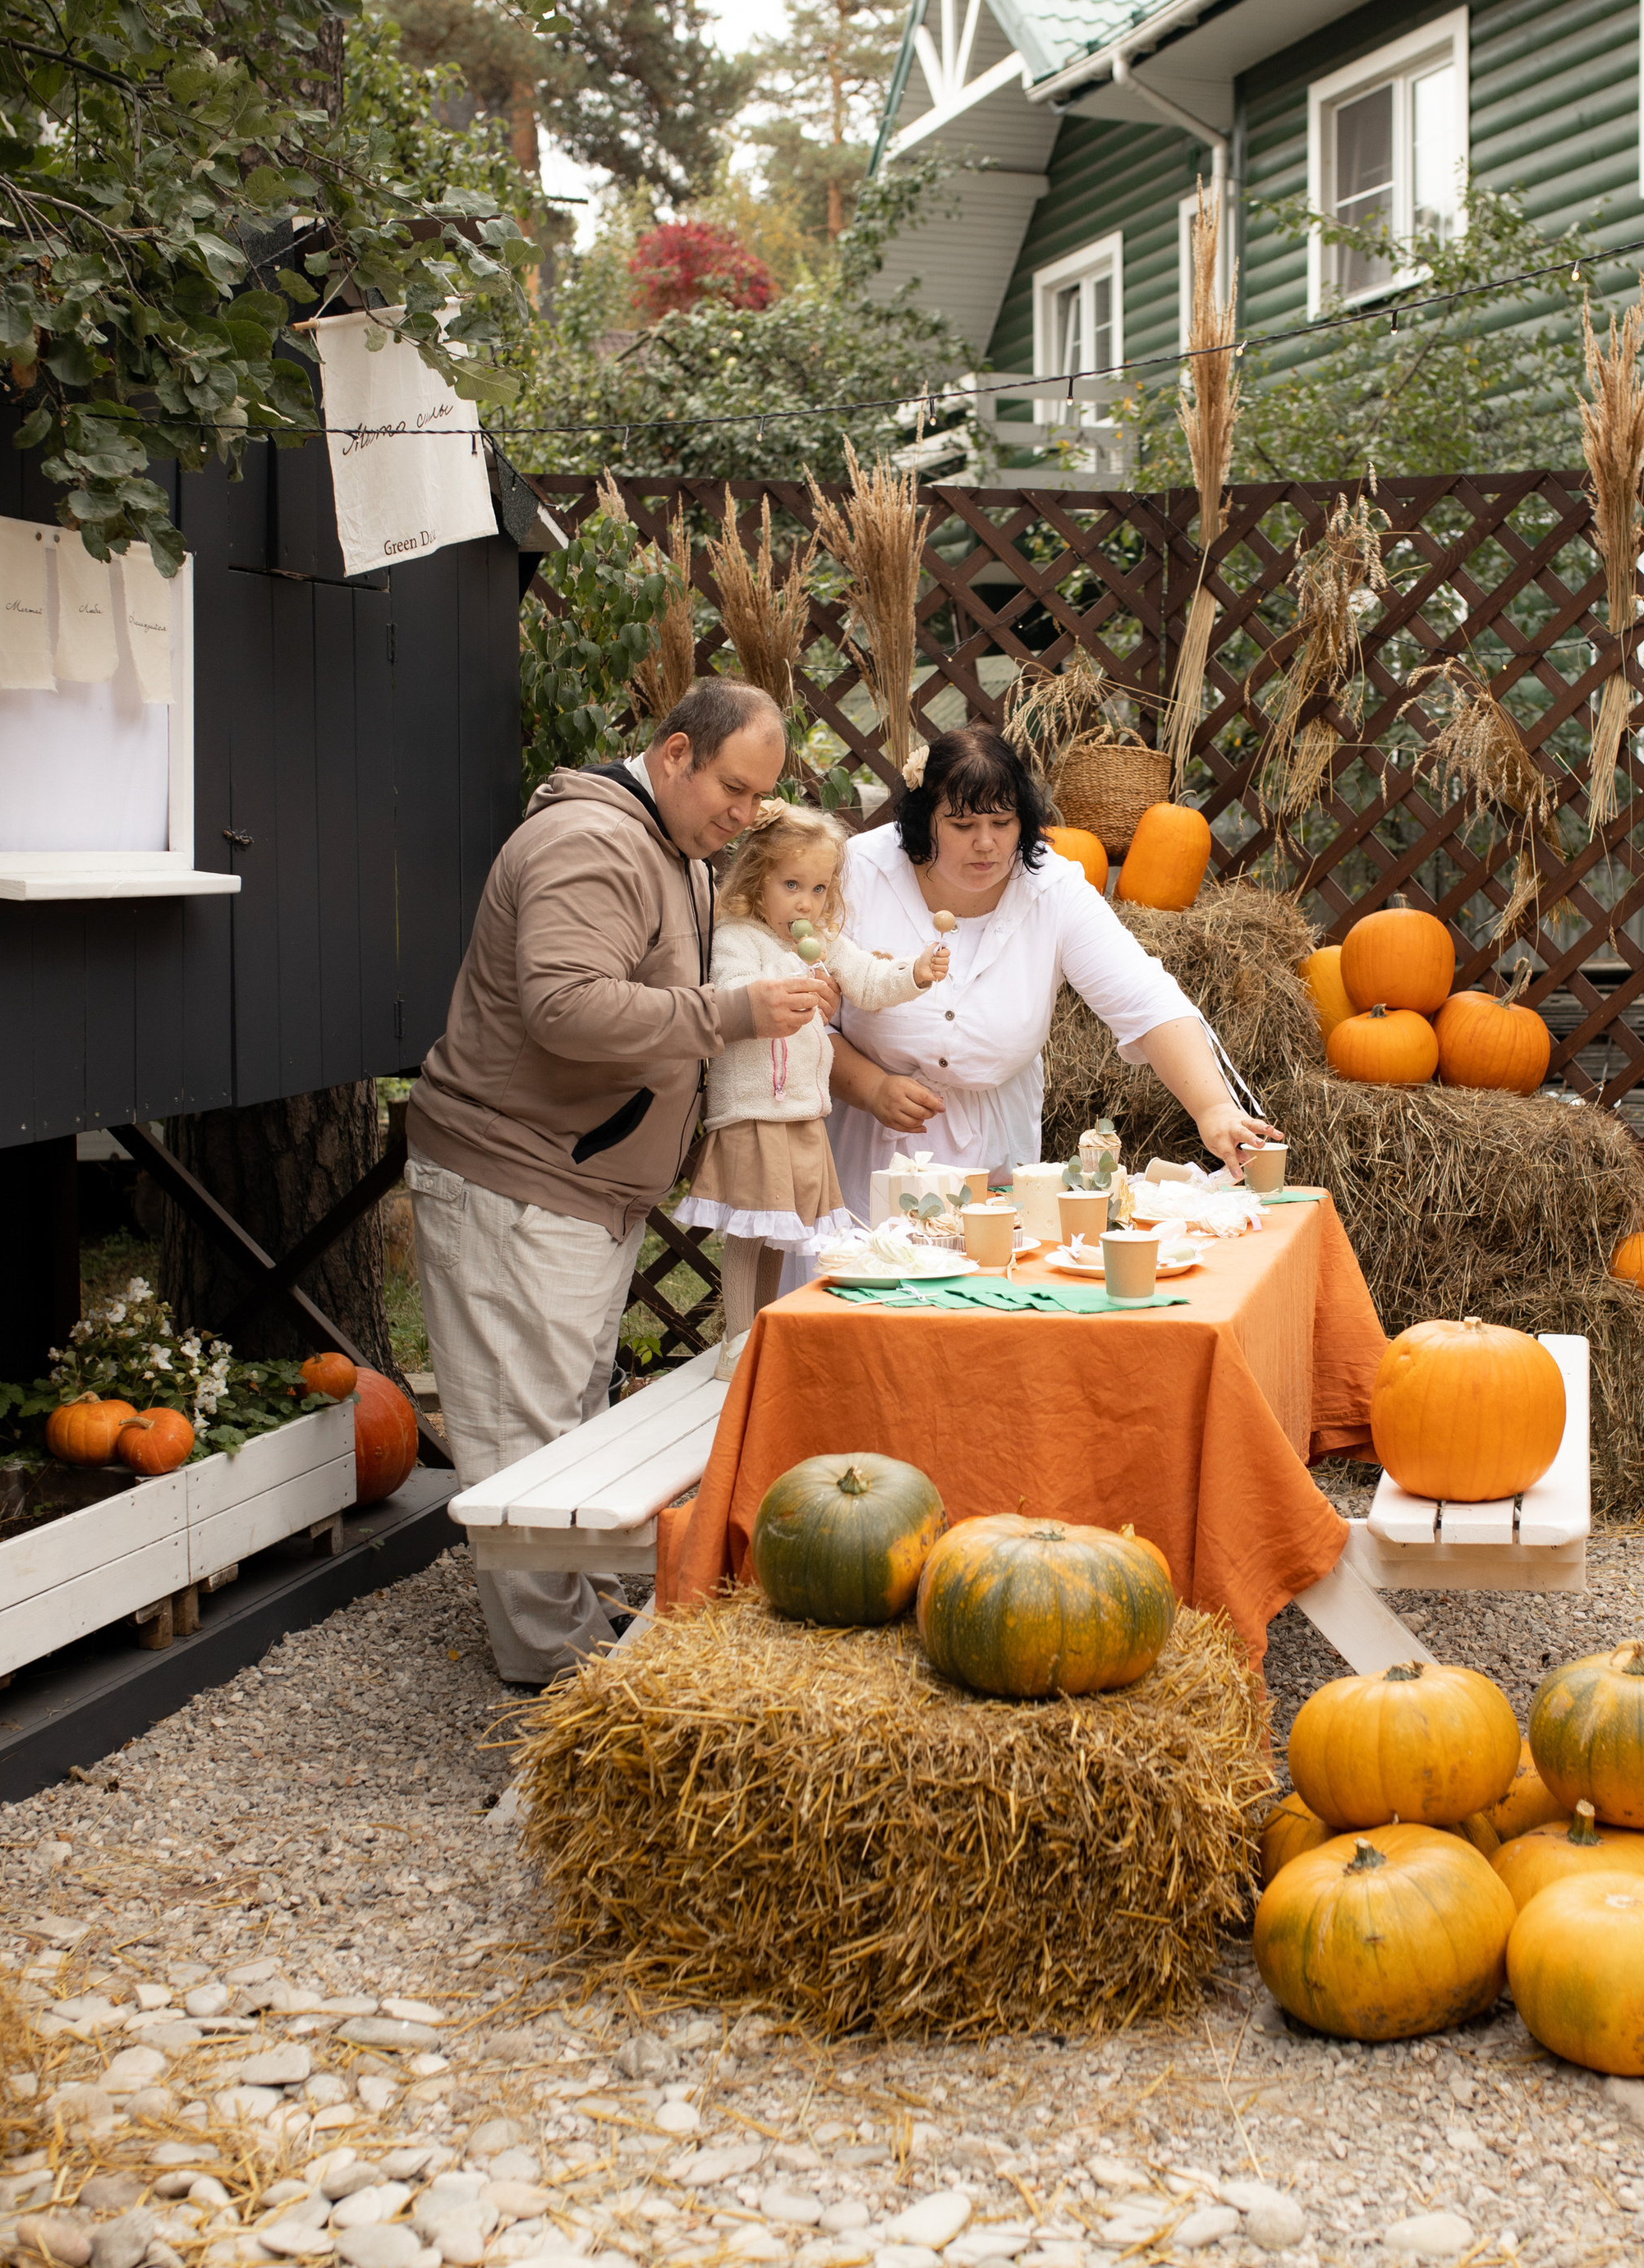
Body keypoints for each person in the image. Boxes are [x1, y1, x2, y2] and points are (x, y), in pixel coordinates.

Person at [404, 678, 828, 1685]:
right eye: (732, 789)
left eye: (760, 797)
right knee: (526, 1444)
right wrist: (732, 1014)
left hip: (576, 1178)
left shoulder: (669, 844)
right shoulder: (590, 844)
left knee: (563, 1430)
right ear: (675, 754)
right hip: (518, 1177)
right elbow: (565, 1007)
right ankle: (564, 1685)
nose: (745, 815)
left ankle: (587, 1642)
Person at [806, 720, 1274, 1239]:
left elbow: (1146, 999)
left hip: (996, 1161)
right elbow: (804, 1014)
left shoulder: (1053, 887)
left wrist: (1213, 1108)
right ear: (923, 822)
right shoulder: (855, 872)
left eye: (1002, 822)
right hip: (865, 1148)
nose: (986, 843)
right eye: (962, 825)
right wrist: (871, 1088)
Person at [674, 802, 952, 1375]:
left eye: (819, 889)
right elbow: (734, 990)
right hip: (753, 1109)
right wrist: (798, 977)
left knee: (781, 1232)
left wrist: (916, 971)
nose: (806, 903)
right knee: (750, 1232)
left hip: (801, 1111)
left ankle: (761, 1331)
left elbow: (870, 981)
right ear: (758, 880)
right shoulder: (740, 937)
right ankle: (736, 1341)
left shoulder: (822, 940)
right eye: (791, 885)